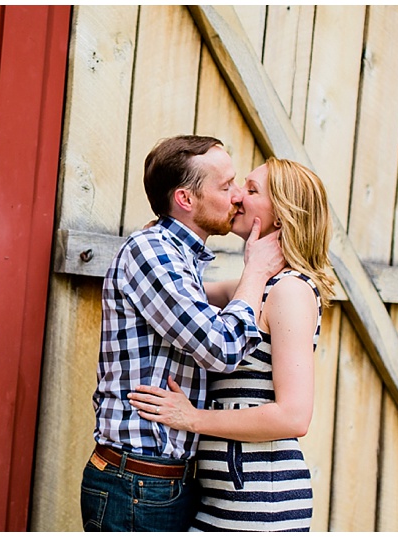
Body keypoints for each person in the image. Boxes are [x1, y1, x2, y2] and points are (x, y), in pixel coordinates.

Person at [80, 135, 285, 532]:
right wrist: (256, 272)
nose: (238, 196)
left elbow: (203, 312)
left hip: (159, 481)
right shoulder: (152, 251)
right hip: (138, 485)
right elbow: (223, 349)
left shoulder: (179, 258)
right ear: (186, 200)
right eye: (225, 186)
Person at [128, 157, 335, 532]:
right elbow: (179, 297)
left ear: (282, 215)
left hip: (261, 504)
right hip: (221, 500)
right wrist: (162, 240)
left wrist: (191, 418)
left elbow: (294, 415)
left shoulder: (289, 291)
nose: (237, 195)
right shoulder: (253, 288)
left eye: (252, 190)